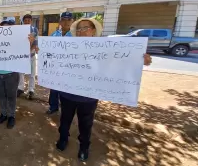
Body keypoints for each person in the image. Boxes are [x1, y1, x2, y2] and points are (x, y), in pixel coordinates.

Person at [55, 18, 152, 161]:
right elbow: (52, 59)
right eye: (79, 29)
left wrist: (140, 60)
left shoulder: (105, 47)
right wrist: (41, 50)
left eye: (85, 28)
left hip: (88, 97)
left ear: (93, 30)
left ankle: (84, 146)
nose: (82, 32)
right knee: (64, 120)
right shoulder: (67, 46)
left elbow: (121, 62)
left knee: (86, 124)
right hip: (67, 94)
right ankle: (63, 139)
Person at [0, 20, 35, 129]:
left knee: (11, 96)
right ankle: (3, 114)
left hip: (12, 74)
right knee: (1, 95)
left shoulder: (17, 42)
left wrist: (30, 42)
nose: (5, 31)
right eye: (3, 29)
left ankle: (11, 116)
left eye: (8, 29)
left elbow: (26, 51)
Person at [47, 12, 74, 115]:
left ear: (72, 21)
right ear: (60, 21)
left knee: (66, 90)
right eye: (63, 19)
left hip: (69, 68)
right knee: (54, 89)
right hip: (55, 67)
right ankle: (53, 106)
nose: (66, 21)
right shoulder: (54, 34)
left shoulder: (76, 35)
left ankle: (66, 110)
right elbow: (47, 48)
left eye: (68, 19)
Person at [17, 14, 38, 100]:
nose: (27, 22)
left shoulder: (35, 30)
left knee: (32, 74)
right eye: (25, 20)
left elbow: (36, 43)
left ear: (31, 21)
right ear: (23, 21)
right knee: (20, 73)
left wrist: (28, 51)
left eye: (28, 20)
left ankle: (31, 90)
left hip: (31, 55)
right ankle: (20, 88)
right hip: (21, 56)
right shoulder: (19, 30)